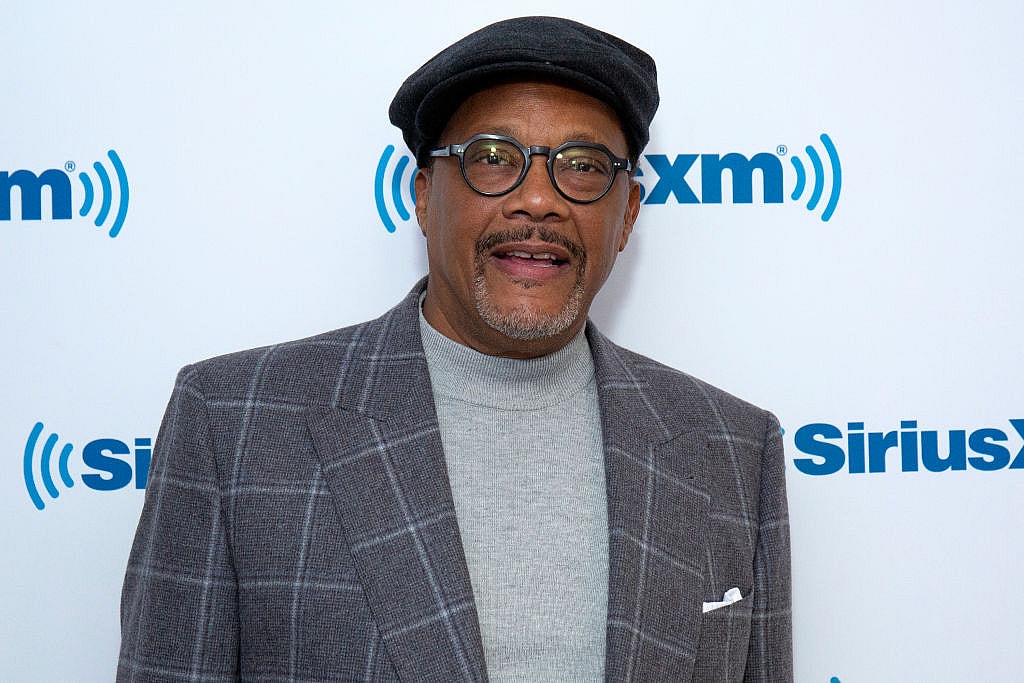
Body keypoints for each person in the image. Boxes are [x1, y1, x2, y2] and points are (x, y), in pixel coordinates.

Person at [117, 16, 791, 682]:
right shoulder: (235, 425)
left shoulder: (732, 449)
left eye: (581, 167)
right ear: (422, 193)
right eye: (493, 158)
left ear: (628, 218)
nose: (537, 200)